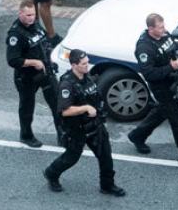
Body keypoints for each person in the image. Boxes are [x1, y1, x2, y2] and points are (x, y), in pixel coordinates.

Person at [128, 13, 178, 172]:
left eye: (164, 26)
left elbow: (177, 51)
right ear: (151, 29)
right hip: (160, 87)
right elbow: (149, 74)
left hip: (172, 81)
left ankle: (137, 135)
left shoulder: (165, 35)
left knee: (162, 111)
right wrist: (171, 68)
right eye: (160, 27)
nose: (164, 29)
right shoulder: (144, 47)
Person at [44, 49, 125, 196]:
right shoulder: (67, 85)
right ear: (74, 65)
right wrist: (85, 108)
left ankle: (107, 185)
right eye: (83, 64)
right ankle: (51, 173)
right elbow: (64, 111)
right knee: (71, 158)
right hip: (77, 129)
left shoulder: (86, 77)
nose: (87, 66)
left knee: (105, 156)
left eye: (87, 62)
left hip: (94, 126)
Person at [6, 0, 63, 147]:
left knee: (57, 103)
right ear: (20, 14)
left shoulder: (35, 24)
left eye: (33, 14)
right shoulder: (16, 34)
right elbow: (13, 60)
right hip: (26, 78)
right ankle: (26, 135)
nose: (32, 18)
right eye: (28, 15)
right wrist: (33, 62)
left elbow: (44, 41)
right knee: (27, 107)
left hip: (44, 73)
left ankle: (63, 135)